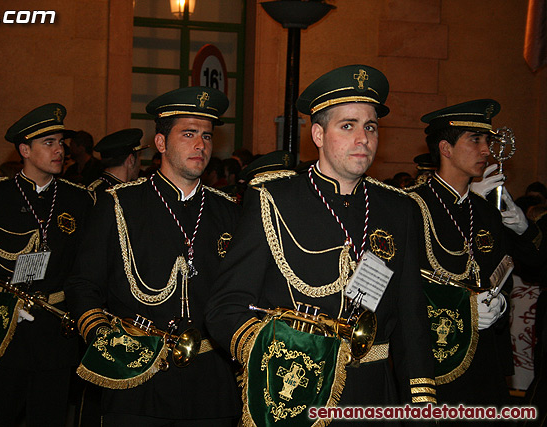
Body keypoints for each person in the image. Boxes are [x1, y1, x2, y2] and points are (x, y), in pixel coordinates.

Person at [205, 65, 436, 426]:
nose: (363, 138)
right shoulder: (275, 199)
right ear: (317, 134)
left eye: (370, 126)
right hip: (293, 395)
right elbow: (225, 306)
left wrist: (420, 405)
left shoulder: (399, 209)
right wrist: (273, 356)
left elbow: (412, 319)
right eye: (348, 126)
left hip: (373, 397)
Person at [65, 86, 242, 426]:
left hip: (211, 387)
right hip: (136, 383)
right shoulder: (119, 204)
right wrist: (104, 339)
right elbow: (83, 284)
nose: (201, 145)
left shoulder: (229, 212)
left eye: (206, 136)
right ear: (161, 143)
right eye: (188, 134)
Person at [0, 103, 93, 426]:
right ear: (25, 150)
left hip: (55, 334)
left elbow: (85, 268)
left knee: (50, 416)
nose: (60, 150)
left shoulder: (79, 199)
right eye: (49, 143)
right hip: (5, 332)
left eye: (61, 142)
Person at [408, 99, 542, 410]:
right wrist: (465, 310)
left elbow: (506, 272)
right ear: (446, 148)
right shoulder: (412, 206)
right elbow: (405, 287)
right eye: (476, 140)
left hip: (486, 360)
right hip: (436, 359)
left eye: (489, 141)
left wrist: (500, 301)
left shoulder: (485, 211)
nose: (487, 151)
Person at [88, 128, 147, 197]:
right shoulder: (128, 194)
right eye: (139, 156)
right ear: (131, 160)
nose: (140, 162)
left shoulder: (94, 190)